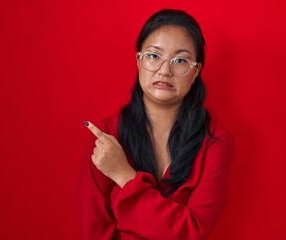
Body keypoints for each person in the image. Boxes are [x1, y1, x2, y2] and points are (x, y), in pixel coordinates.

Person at [79, 9, 234, 240]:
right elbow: (93, 231)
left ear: (195, 72)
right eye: (153, 56)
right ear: (138, 61)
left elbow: (192, 232)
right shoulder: (106, 137)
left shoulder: (216, 142)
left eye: (180, 60)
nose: (164, 70)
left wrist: (124, 176)